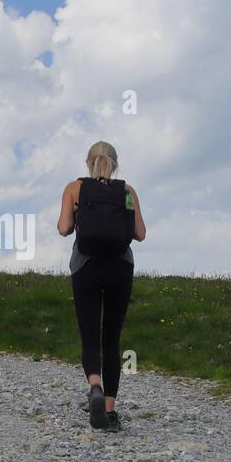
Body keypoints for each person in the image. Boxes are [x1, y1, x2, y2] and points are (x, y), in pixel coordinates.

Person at [56, 141, 146, 432]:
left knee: (90, 335)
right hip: (121, 267)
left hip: (86, 266)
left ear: (88, 162)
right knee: (112, 338)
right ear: (115, 163)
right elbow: (140, 234)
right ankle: (109, 410)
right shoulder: (128, 192)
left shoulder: (74, 188)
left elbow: (62, 228)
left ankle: (94, 385)